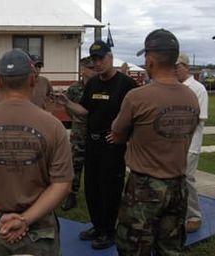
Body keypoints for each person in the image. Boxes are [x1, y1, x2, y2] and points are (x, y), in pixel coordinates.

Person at [0, 48, 73, 255]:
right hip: (40, 232)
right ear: (32, 80)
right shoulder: (54, 126)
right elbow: (62, 183)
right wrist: (25, 220)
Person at [108, 29, 200, 255]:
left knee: (133, 247)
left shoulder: (137, 97)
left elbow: (117, 134)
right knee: (170, 248)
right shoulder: (191, 96)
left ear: (150, 60)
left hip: (145, 189)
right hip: (178, 186)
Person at [58, 40, 136, 249]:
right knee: (92, 188)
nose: (98, 63)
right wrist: (67, 104)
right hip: (92, 144)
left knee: (109, 189)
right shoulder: (92, 84)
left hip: (112, 147)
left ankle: (109, 231)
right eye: (94, 60)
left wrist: (123, 135)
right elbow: (85, 111)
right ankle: (97, 225)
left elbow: (136, 115)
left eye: (101, 58)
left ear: (111, 58)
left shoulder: (126, 84)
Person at [176, 53, 208, 233]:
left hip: (190, 143)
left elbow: (199, 118)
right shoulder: (174, 87)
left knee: (187, 179)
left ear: (186, 66)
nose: (175, 70)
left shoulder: (198, 88)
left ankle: (194, 215)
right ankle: (177, 213)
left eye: (178, 66)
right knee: (173, 180)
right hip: (172, 143)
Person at [61, 56, 96, 211]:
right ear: (83, 70)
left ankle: (94, 195)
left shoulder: (99, 87)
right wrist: (77, 120)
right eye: (91, 68)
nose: (94, 70)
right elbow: (67, 108)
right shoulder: (74, 89)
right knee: (75, 164)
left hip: (96, 131)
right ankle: (72, 194)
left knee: (95, 165)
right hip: (79, 132)